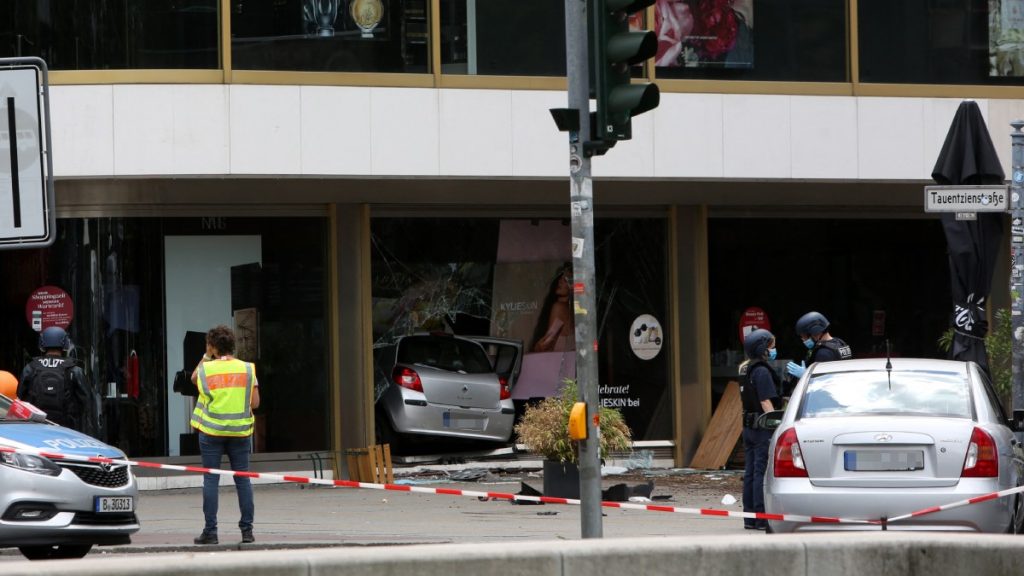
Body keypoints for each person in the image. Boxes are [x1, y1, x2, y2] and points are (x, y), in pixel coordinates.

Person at [190, 325, 261, 545]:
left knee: (211, 480)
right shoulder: (247, 369)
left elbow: (193, 378)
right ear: (232, 345)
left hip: (212, 432)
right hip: (240, 433)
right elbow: (255, 403)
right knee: (243, 480)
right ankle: (247, 532)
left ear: (212, 347)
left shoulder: (206, 370)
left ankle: (210, 532)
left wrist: (206, 355)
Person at [738, 328, 782, 531]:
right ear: (763, 348)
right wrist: (777, 425)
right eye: (771, 347)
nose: (773, 351)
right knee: (760, 472)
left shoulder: (745, 369)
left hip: (748, 427)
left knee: (750, 472)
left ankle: (749, 517)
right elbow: (765, 401)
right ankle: (761, 517)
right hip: (761, 427)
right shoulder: (762, 371)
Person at [17, 326, 90, 431]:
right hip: (66, 429)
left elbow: (20, 398)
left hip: (36, 427)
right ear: (65, 343)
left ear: (42, 343)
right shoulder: (73, 370)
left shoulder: (31, 368)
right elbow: (86, 402)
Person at [785, 311, 853, 379]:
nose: (803, 339)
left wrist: (806, 376)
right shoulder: (840, 342)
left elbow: (821, 382)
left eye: (804, 336)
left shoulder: (823, 353)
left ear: (814, 332)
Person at [530, 263, 575, 353]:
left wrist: (536, 347)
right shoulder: (574, 311)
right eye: (560, 278)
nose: (560, 281)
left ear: (573, 286)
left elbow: (546, 345)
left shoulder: (559, 307)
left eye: (566, 279)